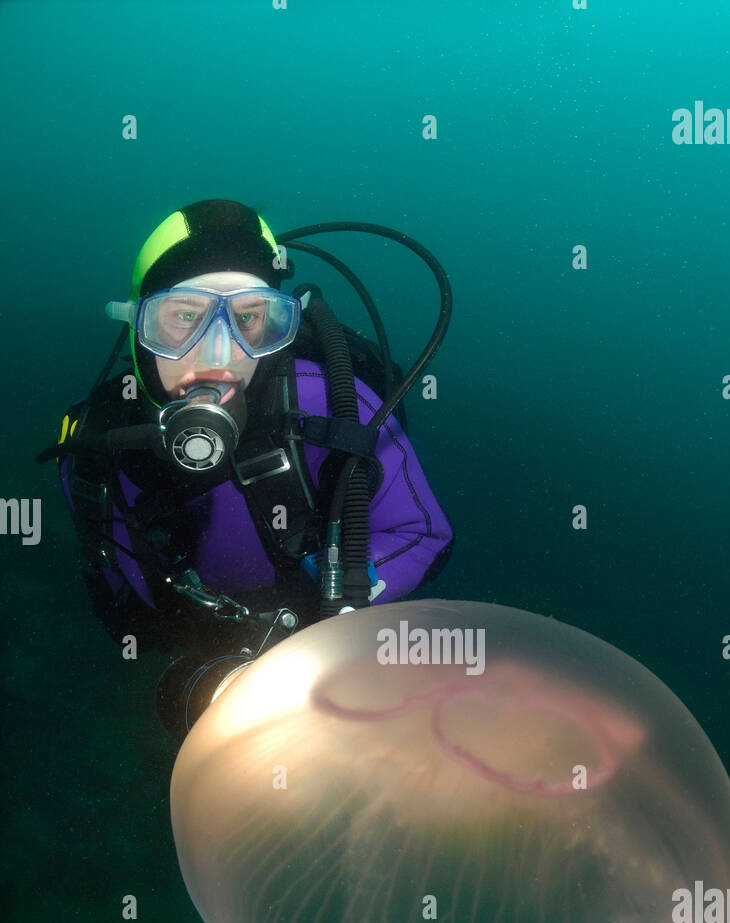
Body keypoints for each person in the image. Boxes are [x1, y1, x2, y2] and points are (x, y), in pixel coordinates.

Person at [46, 199, 454, 737]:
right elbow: (140, 607)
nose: (218, 354)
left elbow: (423, 531)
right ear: (136, 325)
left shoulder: (331, 405)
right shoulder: (95, 453)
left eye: (250, 319)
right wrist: (220, 669)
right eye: (184, 317)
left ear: (278, 325)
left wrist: (326, 613)